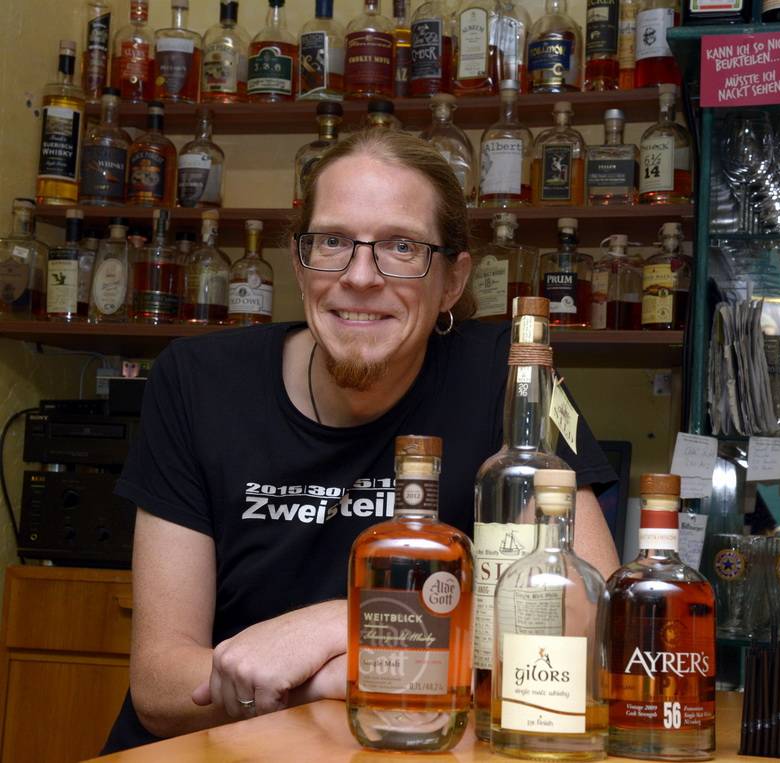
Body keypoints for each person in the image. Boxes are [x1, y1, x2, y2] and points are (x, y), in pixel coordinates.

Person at [102, 130, 620, 752]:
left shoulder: (511, 378)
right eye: (332, 241)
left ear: (453, 281)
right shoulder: (197, 381)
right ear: (300, 265)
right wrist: (334, 680)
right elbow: (160, 688)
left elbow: (593, 627)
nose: (360, 276)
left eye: (402, 246)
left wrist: (342, 624)